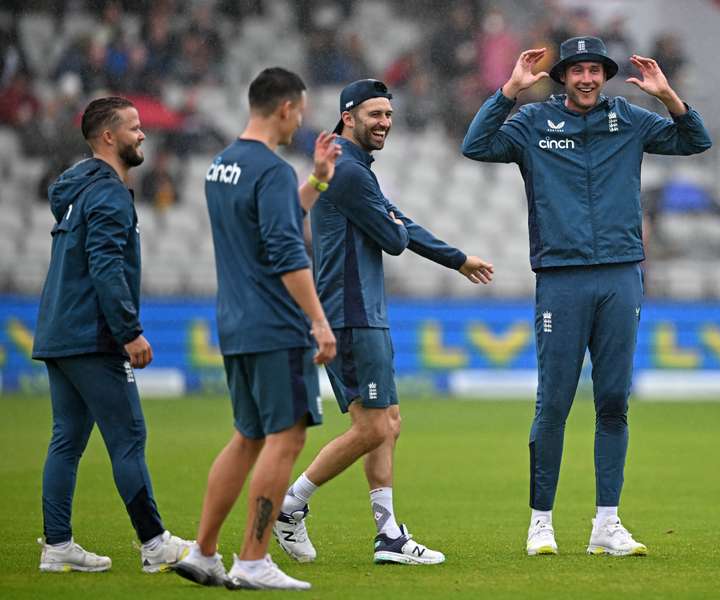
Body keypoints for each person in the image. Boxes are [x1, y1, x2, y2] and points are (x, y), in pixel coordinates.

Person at [461, 37, 712, 557]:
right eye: (577, 70)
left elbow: (696, 141)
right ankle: (541, 522)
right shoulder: (533, 124)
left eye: (595, 70)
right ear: (563, 77)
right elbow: (476, 145)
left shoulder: (631, 119)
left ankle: (606, 525)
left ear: (605, 75)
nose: (587, 78)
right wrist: (508, 91)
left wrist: (669, 97)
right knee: (553, 403)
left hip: (621, 277)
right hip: (561, 278)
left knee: (614, 403)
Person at [274, 79, 494, 566]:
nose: (384, 123)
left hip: (362, 310)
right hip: (352, 314)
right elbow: (394, 239)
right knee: (375, 428)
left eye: (388, 115)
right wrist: (396, 225)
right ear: (348, 117)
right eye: (375, 114)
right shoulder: (350, 173)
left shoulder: (355, 171)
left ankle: (388, 536)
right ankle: (290, 505)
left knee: (387, 424)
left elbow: (400, 225)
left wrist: (456, 259)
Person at [171, 67, 339, 591]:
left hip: (236, 323)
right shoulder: (268, 168)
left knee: (246, 437)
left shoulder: (221, 165)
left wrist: (314, 181)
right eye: (301, 111)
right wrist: (317, 319)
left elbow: (271, 219)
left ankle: (203, 552)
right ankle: (252, 559)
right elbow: (288, 250)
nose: (301, 121)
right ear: (286, 108)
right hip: (276, 325)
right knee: (285, 439)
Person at [32, 96, 191, 573]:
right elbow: (105, 267)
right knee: (128, 436)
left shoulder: (79, 189)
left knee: (67, 440)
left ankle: (58, 547)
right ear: (108, 137)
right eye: (134, 128)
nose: (143, 135)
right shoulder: (108, 193)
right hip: (91, 335)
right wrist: (129, 331)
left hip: (60, 331)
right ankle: (154, 543)